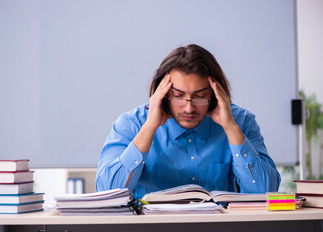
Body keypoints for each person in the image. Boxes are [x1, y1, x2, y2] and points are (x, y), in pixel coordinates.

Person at [96, 44, 280, 199]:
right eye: (178, 96)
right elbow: (107, 192)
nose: (189, 108)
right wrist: (149, 128)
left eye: (200, 97)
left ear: (215, 95)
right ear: (164, 93)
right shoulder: (131, 124)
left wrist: (230, 128)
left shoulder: (241, 121)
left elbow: (266, 192)